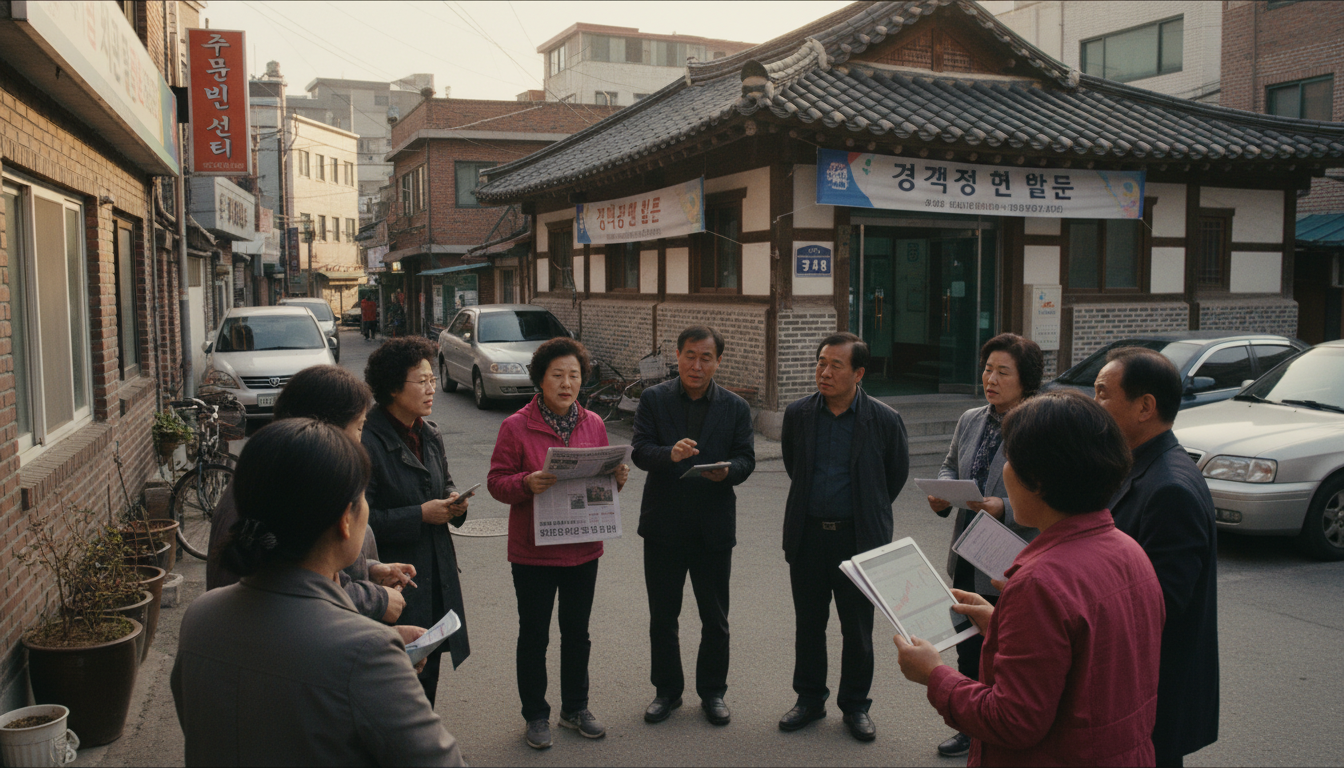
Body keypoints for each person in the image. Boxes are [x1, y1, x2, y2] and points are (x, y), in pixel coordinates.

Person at [172, 418, 465, 766]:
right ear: (345, 520)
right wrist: (382, 662)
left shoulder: (201, 616)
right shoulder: (366, 653)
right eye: (363, 498)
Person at [894, 391, 1165, 766]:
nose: (1004, 472)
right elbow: (1086, 659)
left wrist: (934, 675)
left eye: (1010, 461)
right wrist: (1001, 624)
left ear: (1036, 480)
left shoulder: (1040, 582)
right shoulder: (1129, 550)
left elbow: (1012, 721)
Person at [488, 337, 629, 750]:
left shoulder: (594, 423)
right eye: (558, 375)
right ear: (540, 378)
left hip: (583, 548)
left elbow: (601, 483)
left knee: (577, 633)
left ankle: (575, 708)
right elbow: (497, 482)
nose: (567, 383)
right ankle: (535, 715)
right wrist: (526, 483)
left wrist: (616, 480)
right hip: (533, 551)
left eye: (574, 375)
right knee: (534, 635)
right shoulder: (516, 426)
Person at [204, 365, 415, 624]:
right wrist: (377, 603)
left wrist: (369, 570)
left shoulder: (268, 474)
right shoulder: (283, 491)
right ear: (323, 432)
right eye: (359, 427)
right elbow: (296, 586)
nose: (360, 443)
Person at [779, 332, 909, 742]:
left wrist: (865, 512)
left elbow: (893, 478)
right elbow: (794, 465)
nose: (825, 372)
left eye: (836, 365)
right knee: (809, 625)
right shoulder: (799, 414)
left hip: (858, 540)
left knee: (857, 630)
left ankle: (855, 706)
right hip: (809, 536)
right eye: (821, 362)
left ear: (859, 373)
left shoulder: (884, 419)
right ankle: (809, 699)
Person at [1095, 347, 1219, 767]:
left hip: (1154, 692)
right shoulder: (1136, 465)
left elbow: (1158, 606)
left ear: (1145, 406)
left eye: (1103, 393)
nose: (1094, 403)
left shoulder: (1170, 488)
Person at [925, 333, 1043, 758]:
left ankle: (999, 727)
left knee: (1005, 650)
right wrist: (943, 490)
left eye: (1002, 372)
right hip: (966, 551)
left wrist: (1003, 507)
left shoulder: (1039, 426)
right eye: (988, 369)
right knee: (968, 643)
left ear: (1026, 380)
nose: (990, 379)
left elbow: (1050, 492)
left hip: (1012, 556)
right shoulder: (971, 418)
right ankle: (968, 726)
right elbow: (949, 464)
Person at [631, 326, 755, 727]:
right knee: (663, 617)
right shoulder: (654, 398)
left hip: (712, 526)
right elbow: (639, 451)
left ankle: (713, 692)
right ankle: (666, 692)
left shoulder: (735, 407)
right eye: (689, 355)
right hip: (663, 525)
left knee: (715, 619)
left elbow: (747, 458)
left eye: (705, 358)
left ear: (718, 362)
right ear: (677, 356)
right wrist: (669, 453)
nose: (696, 365)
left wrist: (729, 471)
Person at [362, 336, 471, 707]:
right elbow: (361, 520)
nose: (431, 389)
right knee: (396, 682)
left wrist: (454, 502)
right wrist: (420, 514)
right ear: (393, 388)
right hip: (394, 578)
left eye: (432, 380)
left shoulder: (430, 432)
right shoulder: (367, 441)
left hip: (435, 573)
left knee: (429, 665)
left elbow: (445, 482)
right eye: (421, 381)